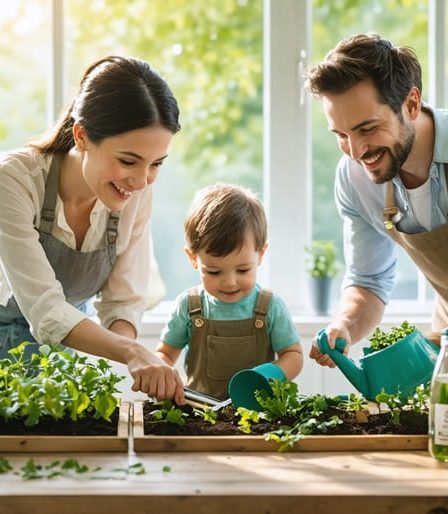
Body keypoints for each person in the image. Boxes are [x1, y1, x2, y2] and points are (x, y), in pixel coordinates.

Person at [0, 55, 185, 403]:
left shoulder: (136, 190)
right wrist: (132, 353)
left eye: (156, 164)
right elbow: (45, 308)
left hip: (58, 354)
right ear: (82, 136)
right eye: (128, 161)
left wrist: (137, 356)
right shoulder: (14, 180)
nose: (141, 180)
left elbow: (123, 302)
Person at [305, 33, 447, 367]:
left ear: (411, 104)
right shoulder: (354, 178)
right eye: (341, 135)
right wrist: (345, 325)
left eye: (367, 128)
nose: (356, 152)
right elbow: (369, 280)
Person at [155, 183, 303, 399]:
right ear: (193, 258)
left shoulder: (270, 307)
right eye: (214, 272)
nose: (230, 283)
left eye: (243, 270)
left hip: (257, 416)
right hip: (201, 414)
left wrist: (267, 377)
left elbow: (294, 355)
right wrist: (162, 374)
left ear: (261, 254)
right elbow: (165, 354)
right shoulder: (189, 306)